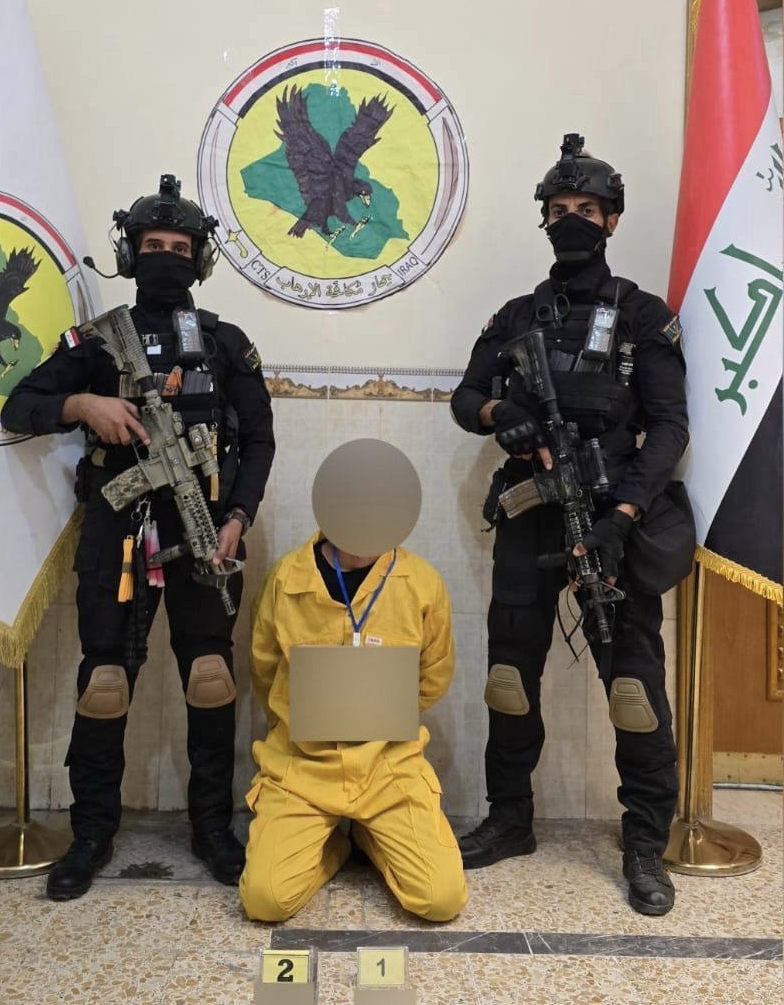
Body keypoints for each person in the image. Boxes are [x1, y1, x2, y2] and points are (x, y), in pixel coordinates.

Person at [1, 173, 275, 900]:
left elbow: (259, 440)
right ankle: (91, 832)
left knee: (210, 678)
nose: (166, 258)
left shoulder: (225, 343)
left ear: (199, 259)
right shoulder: (97, 343)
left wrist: (238, 517)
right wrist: (82, 403)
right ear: (130, 253)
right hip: (117, 532)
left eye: (180, 248)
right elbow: (18, 406)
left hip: (206, 532)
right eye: (153, 245)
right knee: (104, 683)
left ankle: (212, 827)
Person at [450, 134, 689, 916]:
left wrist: (623, 512)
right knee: (509, 677)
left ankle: (644, 842)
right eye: (558, 210)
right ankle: (509, 818)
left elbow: (670, 426)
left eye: (586, 208)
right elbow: (466, 398)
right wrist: (502, 413)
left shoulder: (643, 317)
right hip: (531, 515)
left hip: (612, 518)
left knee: (632, 688)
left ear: (612, 219)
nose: (571, 221)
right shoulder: (518, 315)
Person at [239, 439, 468, 923]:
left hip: (389, 766)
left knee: (441, 899)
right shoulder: (287, 579)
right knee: (264, 900)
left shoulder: (422, 584)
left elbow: (433, 676)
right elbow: (265, 670)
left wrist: (381, 717)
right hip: (302, 767)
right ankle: (335, 849)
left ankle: (368, 833)